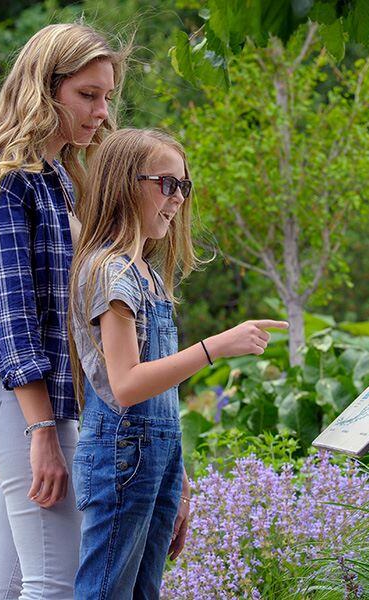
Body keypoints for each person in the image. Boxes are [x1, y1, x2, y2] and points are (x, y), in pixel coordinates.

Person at [69, 127, 288, 598]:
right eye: (166, 184)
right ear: (125, 184)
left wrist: (178, 478)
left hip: (154, 459)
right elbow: (126, 385)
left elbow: (160, 395)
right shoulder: (110, 272)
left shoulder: (146, 274)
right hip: (120, 455)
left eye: (183, 187)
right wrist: (215, 347)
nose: (177, 199)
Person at [0, 23, 127, 598]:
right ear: (44, 89)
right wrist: (42, 427)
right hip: (24, 402)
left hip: (39, 402)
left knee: (13, 582)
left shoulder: (61, 182)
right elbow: (10, 309)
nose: (101, 111)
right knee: (56, 584)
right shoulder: (10, 179)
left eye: (106, 97)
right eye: (87, 95)